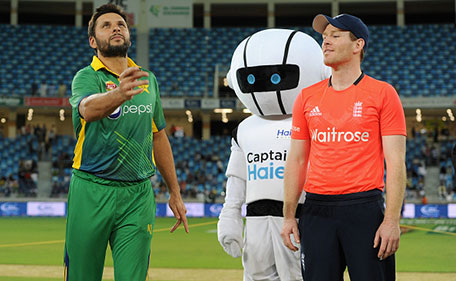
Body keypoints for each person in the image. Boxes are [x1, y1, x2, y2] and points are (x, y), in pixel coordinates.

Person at [65, 4, 188, 281]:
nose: (116, 28)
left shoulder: (148, 80)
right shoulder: (87, 77)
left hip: (138, 194)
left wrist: (175, 192)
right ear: (93, 42)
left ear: (129, 35)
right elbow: (88, 109)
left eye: (120, 24)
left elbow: (159, 135)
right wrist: (120, 93)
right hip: (91, 189)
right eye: (106, 25)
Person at [281, 14, 406, 281]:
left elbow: (395, 162)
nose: (325, 41)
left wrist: (392, 220)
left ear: (358, 44)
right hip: (316, 211)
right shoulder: (306, 96)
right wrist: (289, 216)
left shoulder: (383, 93)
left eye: (335, 35)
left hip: (364, 209)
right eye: (324, 36)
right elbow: (297, 160)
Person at [218, 29, 330, 281]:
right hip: (256, 223)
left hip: (300, 219)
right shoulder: (244, 129)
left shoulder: (313, 122)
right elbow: (236, 180)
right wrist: (229, 217)